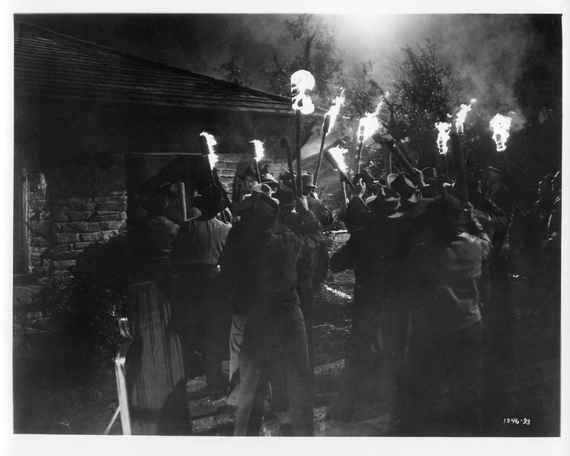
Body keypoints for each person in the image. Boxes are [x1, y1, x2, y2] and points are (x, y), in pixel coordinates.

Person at [233, 191, 314, 436]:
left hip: (260, 315)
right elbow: (312, 246)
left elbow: (231, 278)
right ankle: (304, 434)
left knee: (251, 382)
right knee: (299, 377)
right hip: (290, 312)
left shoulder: (244, 246)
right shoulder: (289, 241)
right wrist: (305, 213)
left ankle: (245, 437)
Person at [126, 188, 190, 434]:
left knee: (147, 345)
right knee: (167, 341)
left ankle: (150, 401)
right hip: (164, 288)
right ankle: (170, 408)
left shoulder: (138, 231)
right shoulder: (173, 228)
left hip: (143, 291)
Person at [171, 186, 232, 395]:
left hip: (192, 286)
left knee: (195, 333)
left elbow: (176, 257)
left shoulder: (186, 228)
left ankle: (204, 378)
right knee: (214, 332)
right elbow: (229, 260)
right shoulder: (225, 229)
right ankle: (215, 379)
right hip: (215, 285)